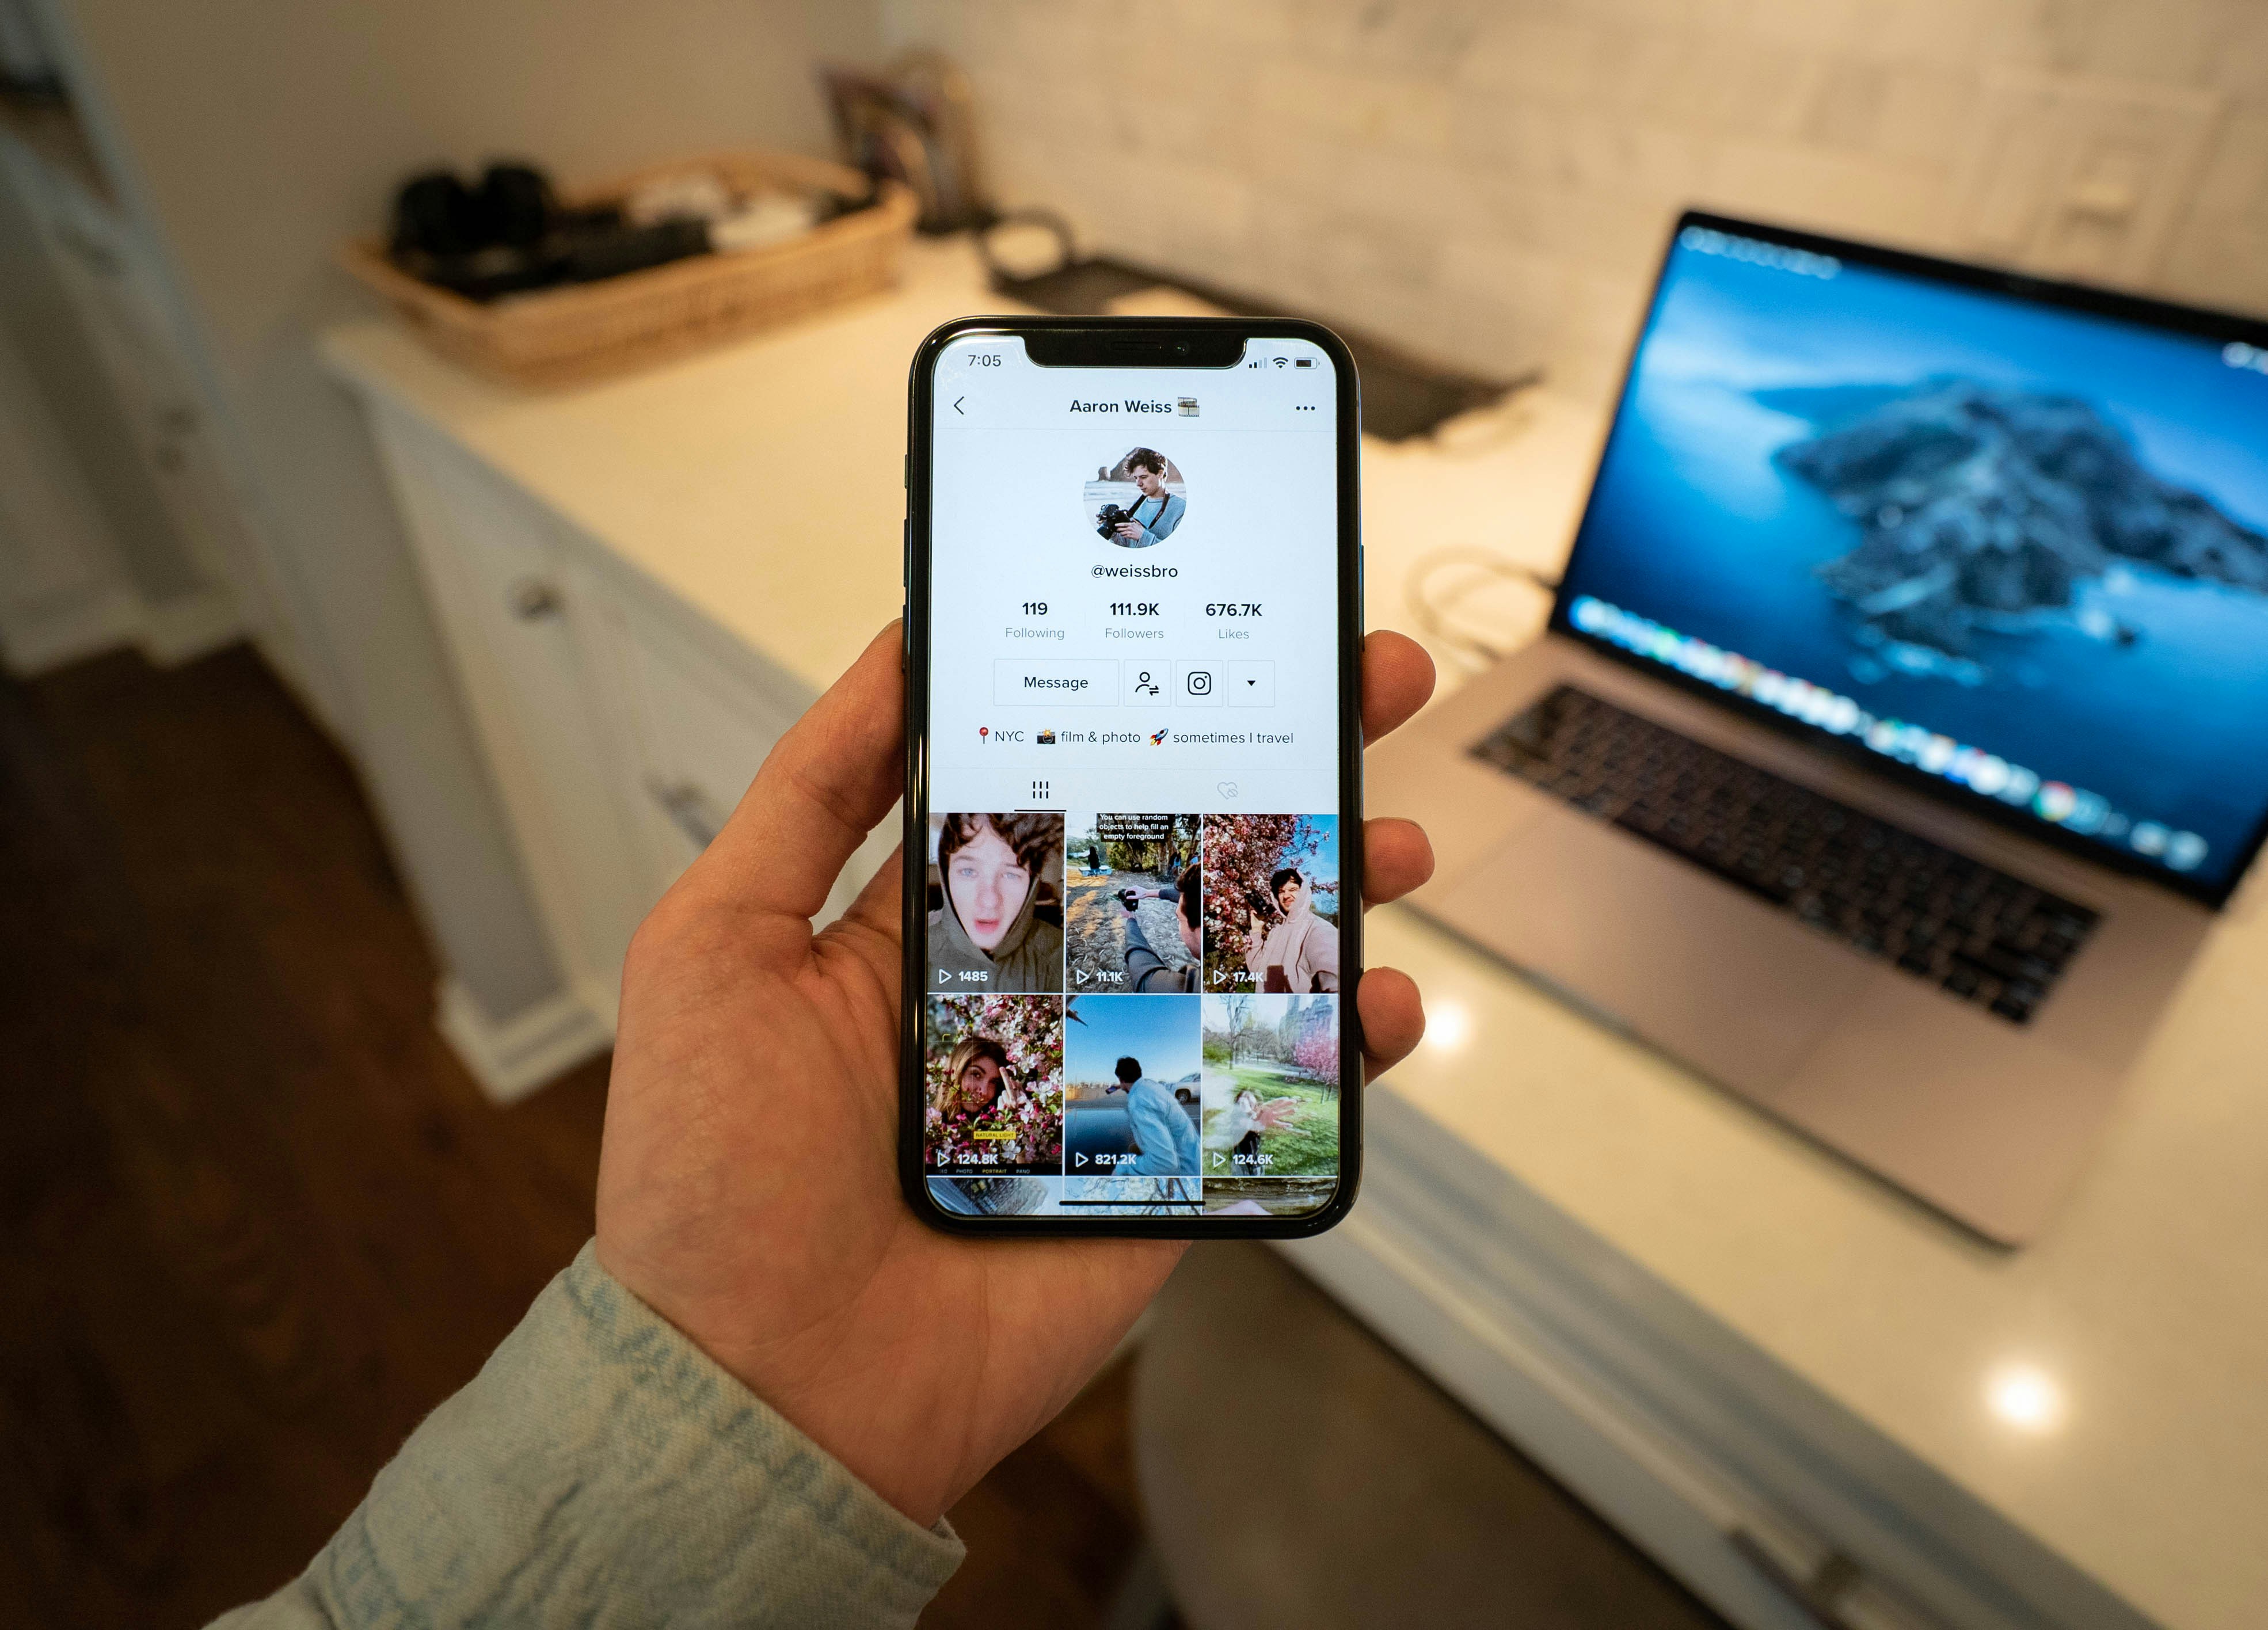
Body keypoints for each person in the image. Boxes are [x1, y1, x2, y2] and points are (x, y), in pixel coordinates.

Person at [216, 620, 1437, 1629]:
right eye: (980, 876)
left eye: (1011, 876)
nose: (997, 892)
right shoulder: (1057, 968)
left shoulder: (1220, 940)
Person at [928, 812, 1063, 992]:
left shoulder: (1062, 956)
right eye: (968, 871)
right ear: (946, 873)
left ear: (1031, 883)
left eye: (1010, 874)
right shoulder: (914, 949)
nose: (989, 901)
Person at [1243, 866, 1340, 993]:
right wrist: (1256, 931)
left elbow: (1335, 980)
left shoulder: (1319, 929)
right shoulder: (1277, 929)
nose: (1286, 896)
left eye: (1293, 889)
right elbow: (1257, 970)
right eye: (1281, 891)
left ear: (1303, 892)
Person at [1110, 1054, 1200, 1177]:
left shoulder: (1139, 1102)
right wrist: (1122, 1085)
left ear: (1121, 1080)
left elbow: (1165, 1164)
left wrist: (1125, 1166)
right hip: (1194, 1158)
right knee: (1134, 1148)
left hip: (1185, 1172)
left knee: (1121, 1167)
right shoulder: (1151, 1087)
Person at [1118, 862, 1201, 992]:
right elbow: (1184, 897)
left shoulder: (1195, 986)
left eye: (1179, 918)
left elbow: (1144, 977)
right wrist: (1146, 893)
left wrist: (1131, 919)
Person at [1110, 448, 1185, 547]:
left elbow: (1177, 552)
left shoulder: (1181, 509)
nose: (1138, 484)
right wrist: (1113, 533)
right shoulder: (1137, 505)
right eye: (1136, 478)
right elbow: (1130, 545)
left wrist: (1142, 536)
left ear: (1160, 474)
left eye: (1144, 477)